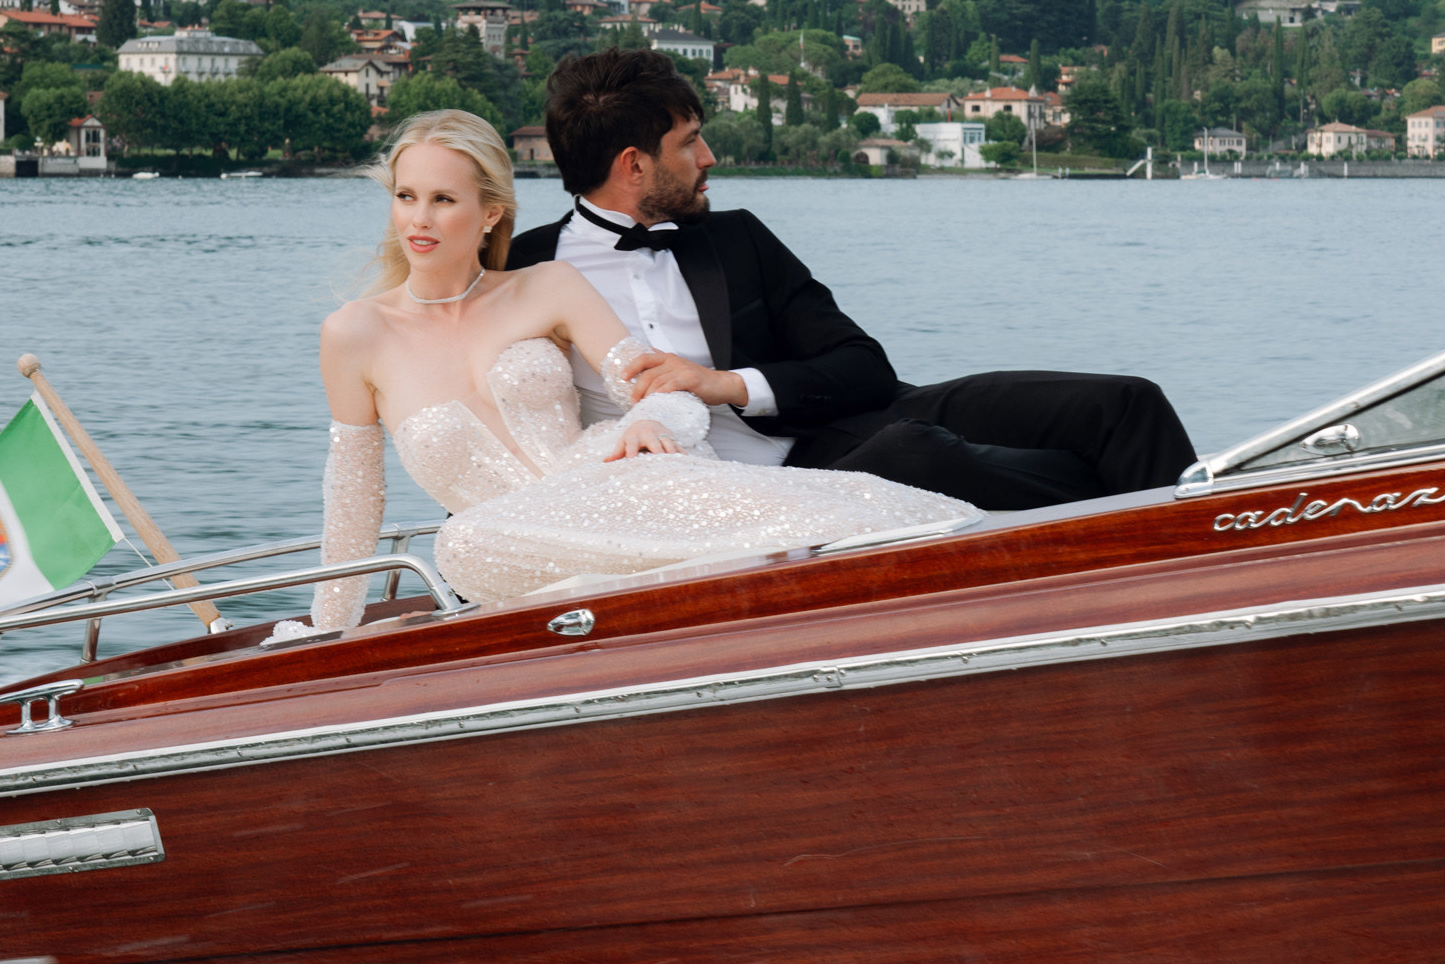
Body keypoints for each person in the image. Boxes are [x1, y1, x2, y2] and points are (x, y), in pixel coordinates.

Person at [312, 108, 972, 622]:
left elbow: (667, 391)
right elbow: (353, 506)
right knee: (461, 545)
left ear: (490, 212)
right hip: (504, 540)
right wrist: (324, 630)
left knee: (835, 510)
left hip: (617, 484)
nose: (418, 219)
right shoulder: (356, 334)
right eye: (406, 196)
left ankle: (943, 560)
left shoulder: (549, 286)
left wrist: (651, 419)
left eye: (442, 200)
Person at [506, 49, 1196, 512]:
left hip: (854, 423)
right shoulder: (523, 274)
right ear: (634, 165)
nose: (709, 157)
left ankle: (1206, 553)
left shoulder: (736, 237)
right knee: (916, 455)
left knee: (1125, 406)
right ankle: (1130, 528)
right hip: (749, 497)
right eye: (689, 142)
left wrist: (727, 385)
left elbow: (862, 367)